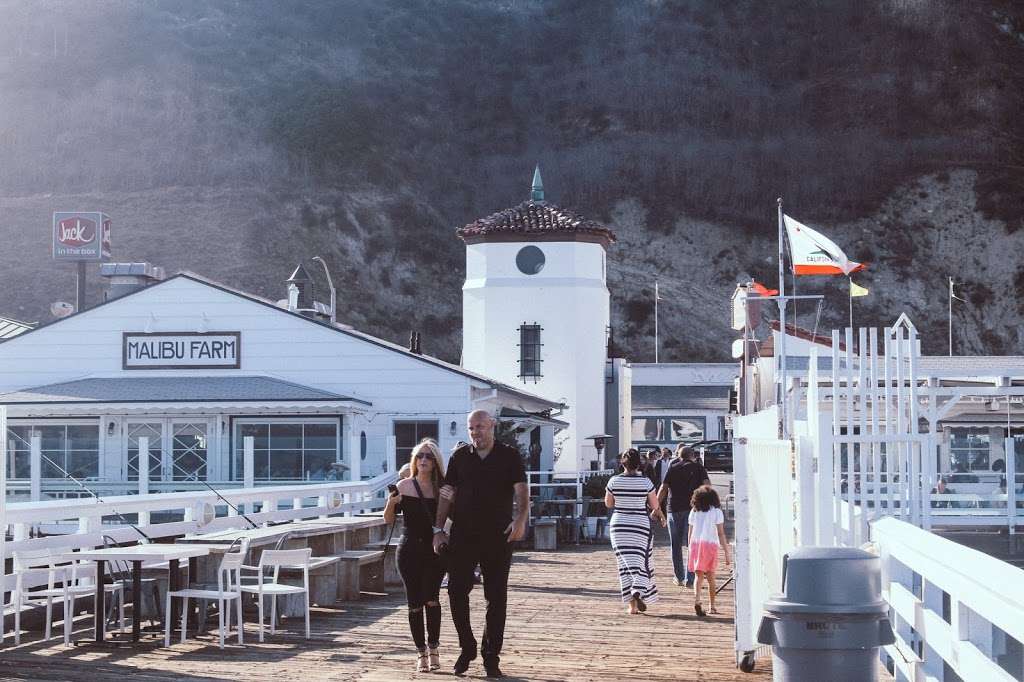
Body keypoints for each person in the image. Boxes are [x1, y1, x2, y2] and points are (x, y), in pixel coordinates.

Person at [433, 410, 528, 679]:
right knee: (455, 591)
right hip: (464, 533)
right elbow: (446, 494)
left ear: (492, 426)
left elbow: (522, 489)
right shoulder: (460, 457)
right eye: (471, 428)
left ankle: (491, 657)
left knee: (496, 597)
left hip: (499, 534)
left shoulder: (508, 455)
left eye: (481, 427)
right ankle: (467, 647)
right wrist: (438, 530)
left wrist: (520, 519)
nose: (476, 432)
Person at [384, 439, 447, 672]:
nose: (423, 460)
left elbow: (455, 517)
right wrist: (392, 503)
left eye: (429, 457)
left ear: (435, 461)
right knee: (414, 603)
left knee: (431, 599)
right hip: (408, 549)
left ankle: (434, 649)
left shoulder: (442, 488)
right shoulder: (403, 485)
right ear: (414, 460)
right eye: (420, 456)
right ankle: (420, 652)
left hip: (433, 550)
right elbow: (388, 519)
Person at [605, 448, 666, 615]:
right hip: (639, 525)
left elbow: (609, 504)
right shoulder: (646, 482)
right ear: (639, 464)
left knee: (624, 565)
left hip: (619, 526)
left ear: (622, 463)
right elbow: (654, 505)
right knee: (640, 561)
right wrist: (660, 515)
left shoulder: (613, 481)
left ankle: (632, 606)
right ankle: (638, 589)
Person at [657, 445, 710, 588]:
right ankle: (690, 579)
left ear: (679, 456)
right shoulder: (699, 468)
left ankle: (678, 577)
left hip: (673, 509)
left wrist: (656, 506)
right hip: (692, 511)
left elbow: (663, 488)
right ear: (692, 455)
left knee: (675, 545)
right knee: (692, 544)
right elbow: (707, 486)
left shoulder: (673, 467)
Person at [688, 484, 730, 617]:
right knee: (711, 577)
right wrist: (727, 552)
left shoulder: (694, 511)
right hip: (710, 545)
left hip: (695, 545)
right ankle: (712, 606)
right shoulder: (716, 512)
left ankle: (697, 600)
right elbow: (721, 533)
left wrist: (690, 547)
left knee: (698, 576)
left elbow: (690, 531)